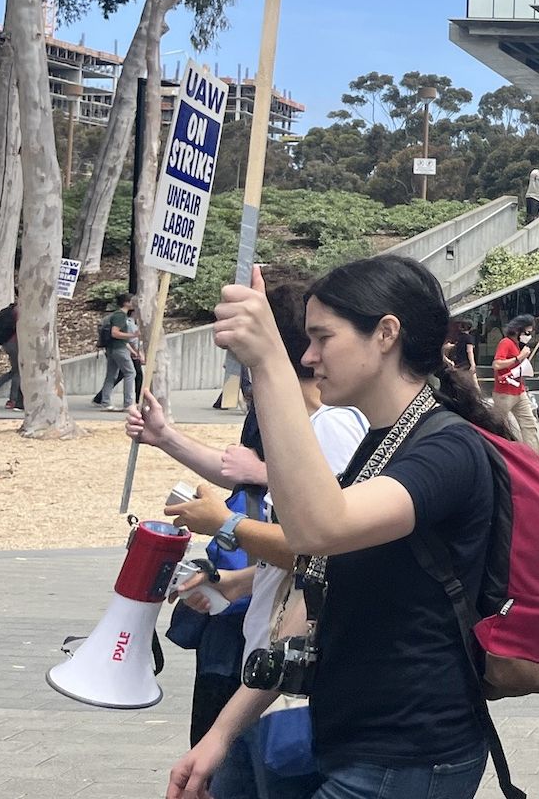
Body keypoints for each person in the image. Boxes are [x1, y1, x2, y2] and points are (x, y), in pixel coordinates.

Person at [168, 257, 508, 799]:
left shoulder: (447, 448)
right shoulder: (379, 445)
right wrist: (221, 734)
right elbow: (310, 609)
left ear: (386, 334)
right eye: (302, 342)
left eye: (322, 337)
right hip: (341, 740)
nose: (308, 356)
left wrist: (267, 361)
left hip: (409, 757)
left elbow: (316, 530)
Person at [133, 275, 369, 783]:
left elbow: (327, 550)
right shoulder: (310, 425)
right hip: (266, 662)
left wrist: (226, 523)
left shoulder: (330, 425)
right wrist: (235, 582)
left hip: (291, 675)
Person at [491, 314, 539, 451]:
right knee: (498, 426)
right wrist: (519, 358)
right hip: (504, 393)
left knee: (529, 425)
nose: (529, 336)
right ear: (518, 330)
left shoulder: (517, 345)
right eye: (527, 332)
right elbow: (497, 364)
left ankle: (534, 457)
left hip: (519, 392)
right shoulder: (506, 343)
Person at [93, 290, 142, 410]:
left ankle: (105, 402)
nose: (134, 304)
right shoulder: (120, 316)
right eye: (132, 301)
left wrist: (132, 350)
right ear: (126, 303)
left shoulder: (115, 315)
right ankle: (129, 403)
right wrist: (133, 336)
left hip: (112, 349)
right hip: (119, 349)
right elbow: (115, 333)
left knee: (111, 375)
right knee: (131, 373)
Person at [0, 301, 19, 410]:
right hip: (14, 344)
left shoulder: (10, 309)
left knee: (14, 371)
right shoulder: (20, 311)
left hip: (6, 343)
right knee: (18, 372)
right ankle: (13, 400)